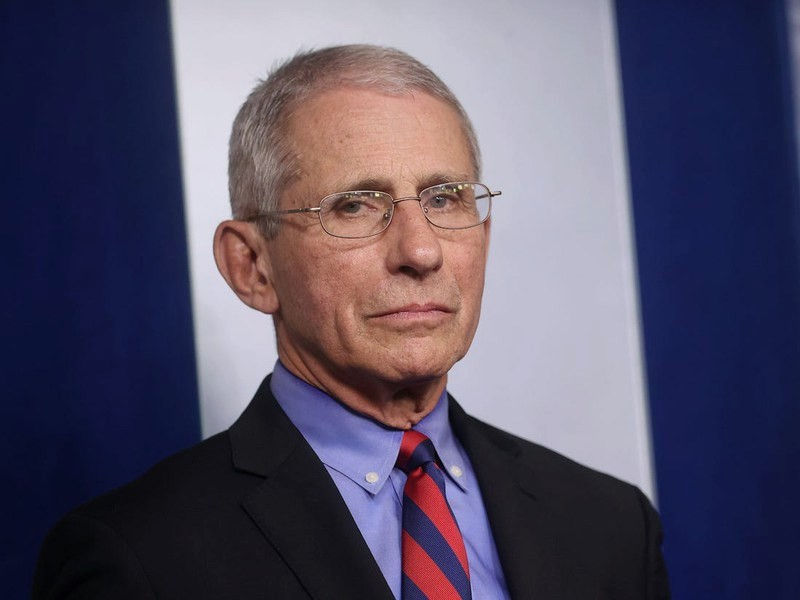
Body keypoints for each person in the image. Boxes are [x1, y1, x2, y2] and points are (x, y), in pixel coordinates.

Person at [33, 44, 669, 599]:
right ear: (252, 266)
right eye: (356, 206)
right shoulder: (139, 558)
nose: (421, 251)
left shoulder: (611, 525)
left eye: (445, 198)